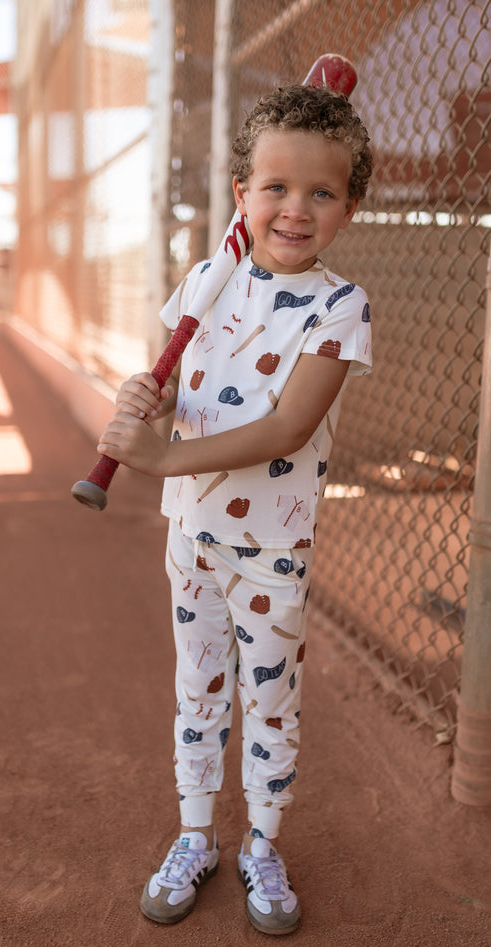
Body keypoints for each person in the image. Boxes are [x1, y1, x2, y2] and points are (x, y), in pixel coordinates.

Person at [97, 83, 373, 936]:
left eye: (320, 192)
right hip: (192, 537)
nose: (295, 208)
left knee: (270, 701)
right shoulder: (206, 282)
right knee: (198, 690)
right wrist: (145, 396)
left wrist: (162, 457)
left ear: (348, 207)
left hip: (268, 551)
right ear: (242, 196)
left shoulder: (339, 307)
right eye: (276, 188)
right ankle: (195, 834)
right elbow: (180, 384)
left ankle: (261, 840)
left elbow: (286, 426)